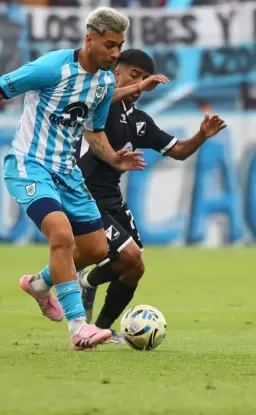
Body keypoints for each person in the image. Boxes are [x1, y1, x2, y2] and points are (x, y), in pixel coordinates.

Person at [0, 8, 145, 350]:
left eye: (120, 45)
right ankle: (79, 329)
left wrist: (114, 157)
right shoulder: (51, 67)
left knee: (95, 249)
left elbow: (95, 130)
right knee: (61, 234)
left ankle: (39, 285)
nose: (116, 54)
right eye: (110, 45)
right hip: (30, 165)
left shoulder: (104, 82)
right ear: (89, 39)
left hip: (68, 174)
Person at [76, 49, 227, 339]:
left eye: (146, 79)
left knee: (134, 267)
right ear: (116, 73)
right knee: (128, 254)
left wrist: (201, 136)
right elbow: (93, 112)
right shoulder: (99, 105)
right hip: (85, 196)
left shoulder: (139, 121)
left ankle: (100, 328)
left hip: (112, 200)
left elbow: (179, 151)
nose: (142, 85)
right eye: (135, 76)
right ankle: (66, 279)